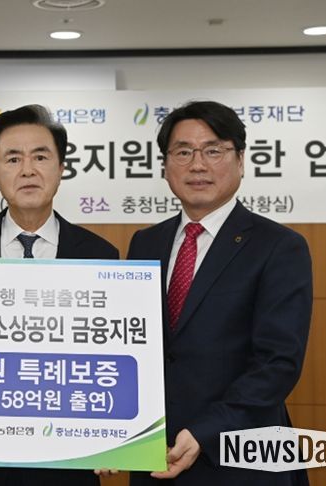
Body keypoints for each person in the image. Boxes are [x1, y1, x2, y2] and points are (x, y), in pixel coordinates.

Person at [126, 101, 312, 485]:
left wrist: (204, 432)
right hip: (154, 454)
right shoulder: (145, 243)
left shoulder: (279, 247)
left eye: (213, 151)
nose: (197, 165)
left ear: (240, 160)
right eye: (183, 152)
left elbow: (277, 363)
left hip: (241, 457)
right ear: (165, 166)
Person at [0, 104, 119, 486]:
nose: (27, 170)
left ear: (61, 168)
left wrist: (115, 438)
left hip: (69, 462)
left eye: (40, 156)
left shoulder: (101, 256)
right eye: (12, 159)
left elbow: (112, 360)